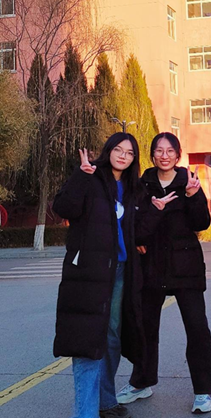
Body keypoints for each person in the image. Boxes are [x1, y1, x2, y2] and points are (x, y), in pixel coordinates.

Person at [117, 132, 211, 414]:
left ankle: (204, 390)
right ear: (152, 155)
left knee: (197, 328)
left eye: (170, 150)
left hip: (186, 267)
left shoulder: (189, 182)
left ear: (178, 154)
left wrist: (194, 196)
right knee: (145, 328)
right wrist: (141, 234)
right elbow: (133, 226)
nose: (164, 155)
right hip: (151, 267)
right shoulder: (142, 185)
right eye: (159, 150)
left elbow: (201, 223)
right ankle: (142, 382)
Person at [53, 133, 144, 418]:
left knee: (112, 338)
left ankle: (106, 401)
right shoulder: (91, 177)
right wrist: (80, 176)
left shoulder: (132, 188)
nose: (123, 156)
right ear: (108, 150)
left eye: (129, 153)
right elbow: (63, 208)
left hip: (120, 270)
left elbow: (138, 229)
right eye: (118, 149)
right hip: (90, 271)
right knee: (87, 340)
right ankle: (86, 413)